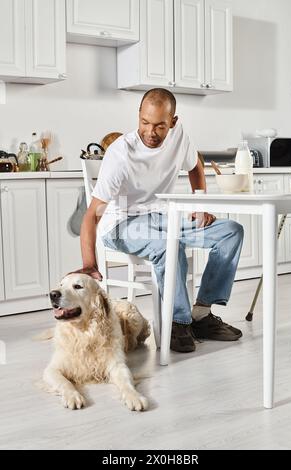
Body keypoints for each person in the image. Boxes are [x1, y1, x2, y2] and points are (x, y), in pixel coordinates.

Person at [79, 88, 244, 353]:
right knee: (169, 245)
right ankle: (177, 323)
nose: (151, 132)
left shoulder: (179, 138)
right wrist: (89, 263)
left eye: (159, 125)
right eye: (145, 122)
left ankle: (201, 315)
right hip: (121, 223)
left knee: (231, 231)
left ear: (173, 122)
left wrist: (198, 205)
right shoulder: (121, 153)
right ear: (139, 117)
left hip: (163, 216)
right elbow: (92, 214)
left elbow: (195, 167)